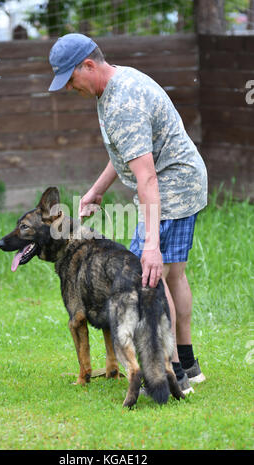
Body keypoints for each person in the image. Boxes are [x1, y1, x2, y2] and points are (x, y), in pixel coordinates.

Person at [48, 33, 207, 394]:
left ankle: (172, 373)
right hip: (187, 177)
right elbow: (127, 149)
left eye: (71, 79)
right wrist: (97, 190)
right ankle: (188, 363)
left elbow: (146, 175)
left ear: (89, 65)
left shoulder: (122, 102)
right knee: (174, 273)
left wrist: (150, 244)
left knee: (148, 274)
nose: (70, 88)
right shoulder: (117, 82)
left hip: (171, 187)